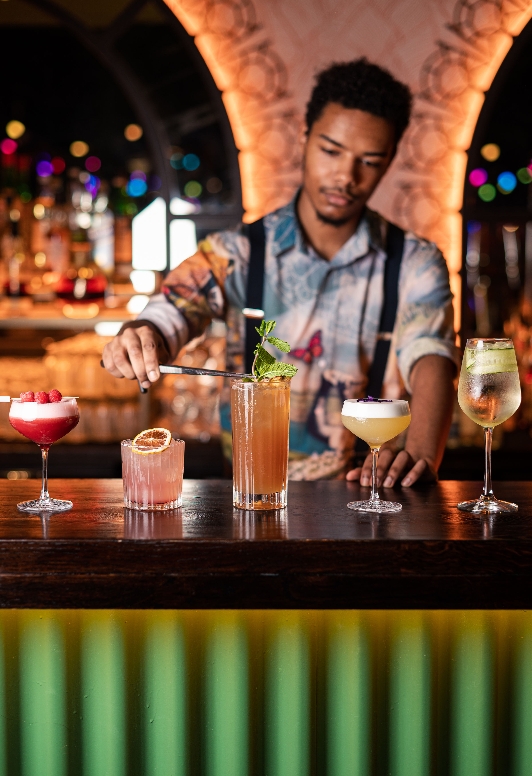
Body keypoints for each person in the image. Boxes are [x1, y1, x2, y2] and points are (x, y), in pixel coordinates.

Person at [103, 58, 457, 485]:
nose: (346, 176)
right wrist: (142, 335)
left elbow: (432, 356)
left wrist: (421, 457)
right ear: (305, 138)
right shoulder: (237, 251)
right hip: (253, 499)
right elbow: (172, 309)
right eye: (331, 151)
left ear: (390, 160)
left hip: (369, 498)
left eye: (369, 160)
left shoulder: (415, 262)